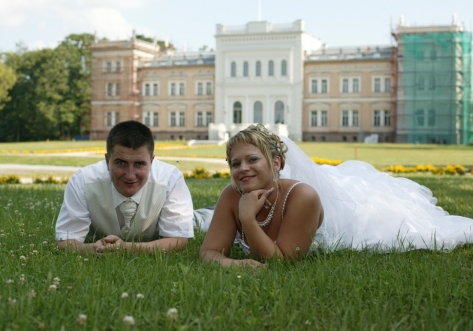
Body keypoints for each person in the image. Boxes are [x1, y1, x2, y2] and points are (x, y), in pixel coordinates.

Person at [199, 124, 473, 268]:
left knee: (387, 220)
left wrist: (247, 219)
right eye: (235, 164)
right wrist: (234, 264)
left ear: (277, 163)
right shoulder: (231, 195)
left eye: (252, 159)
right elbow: (209, 252)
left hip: (356, 218)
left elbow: (282, 261)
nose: (242, 169)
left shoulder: (302, 196)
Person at [55, 120, 194, 254]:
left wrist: (125, 248)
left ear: (152, 161)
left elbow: (178, 239)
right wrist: (92, 249)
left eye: (139, 164)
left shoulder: (170, 179)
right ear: (107, 161)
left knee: (203, 219)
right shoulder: (83, 181)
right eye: (121, 163)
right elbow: (66, 239)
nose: (130, 175)